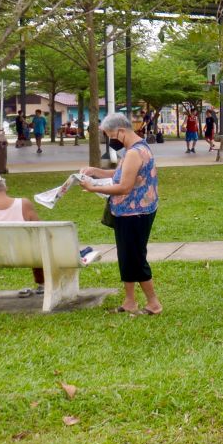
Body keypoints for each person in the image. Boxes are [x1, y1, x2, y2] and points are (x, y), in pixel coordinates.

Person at [79, 111, 162, 316]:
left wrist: (93, 188)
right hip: (129, 212)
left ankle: (153, 304)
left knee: (135, 258)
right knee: (126, 257)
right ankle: (130, 301)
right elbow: (121, 174)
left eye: (110, 135)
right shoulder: (135, 148)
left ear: (121, 131)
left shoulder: (134, 152)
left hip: (135, 213)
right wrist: (96, 171)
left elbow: (124, 186)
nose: (110, 140)